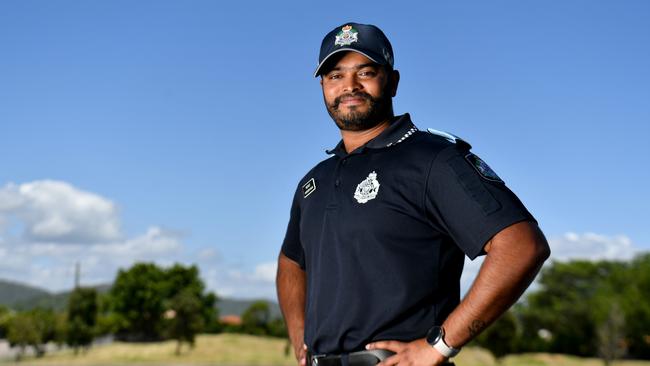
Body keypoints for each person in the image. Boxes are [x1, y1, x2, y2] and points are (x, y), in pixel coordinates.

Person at [276, 22, 550, 366]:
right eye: (335, 75)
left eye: (366, 72)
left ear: (392, 81)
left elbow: (521, 245)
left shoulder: (432, 159)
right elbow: (290, 261)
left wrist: (440, 345)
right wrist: (299, 336)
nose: (349, 86)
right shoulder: (313, 182)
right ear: (322, 86)